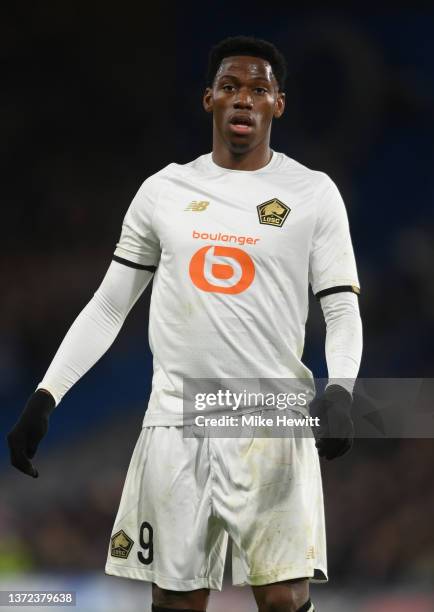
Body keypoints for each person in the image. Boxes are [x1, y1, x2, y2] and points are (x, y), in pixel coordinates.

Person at [7, 36, 363, 612]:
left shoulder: (314, 194)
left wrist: (342, 388)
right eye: (230, 87)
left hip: (268, 418)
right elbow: (109, 305)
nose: (242, 99)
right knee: (176, 601)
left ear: (278, 104)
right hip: (175, 420)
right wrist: (47, 395)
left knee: (281, 598)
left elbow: (341, 307)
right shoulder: (163, 191)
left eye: (257, 89)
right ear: (209, 100)